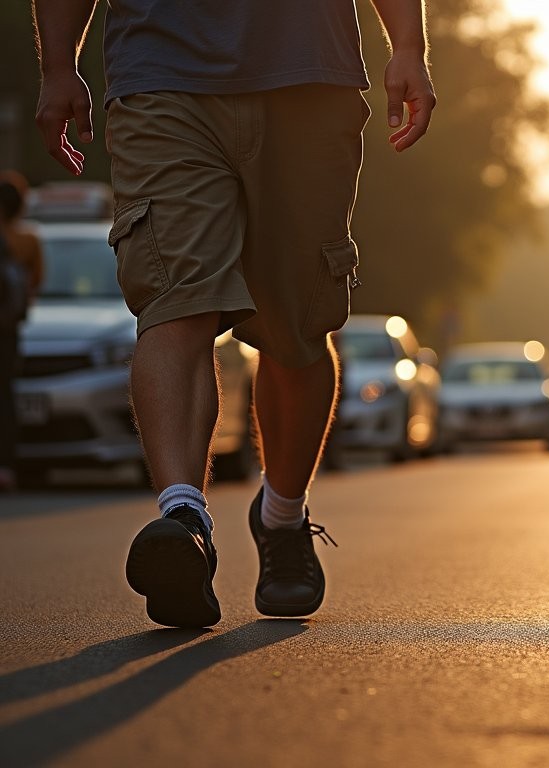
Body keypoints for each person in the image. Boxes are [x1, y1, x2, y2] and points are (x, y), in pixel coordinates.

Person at [33, 1, 436, 627]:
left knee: (297, 330)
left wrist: (406, 44)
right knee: (175, 304)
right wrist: (58, 64)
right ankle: (183, 520)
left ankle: (281, 517)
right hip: (160, 77)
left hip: (308, 75)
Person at [0, 173, 44, 492]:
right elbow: (34, 283)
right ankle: (7, 467)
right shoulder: (27, 240)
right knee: (5, 397)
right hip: (7, 330)